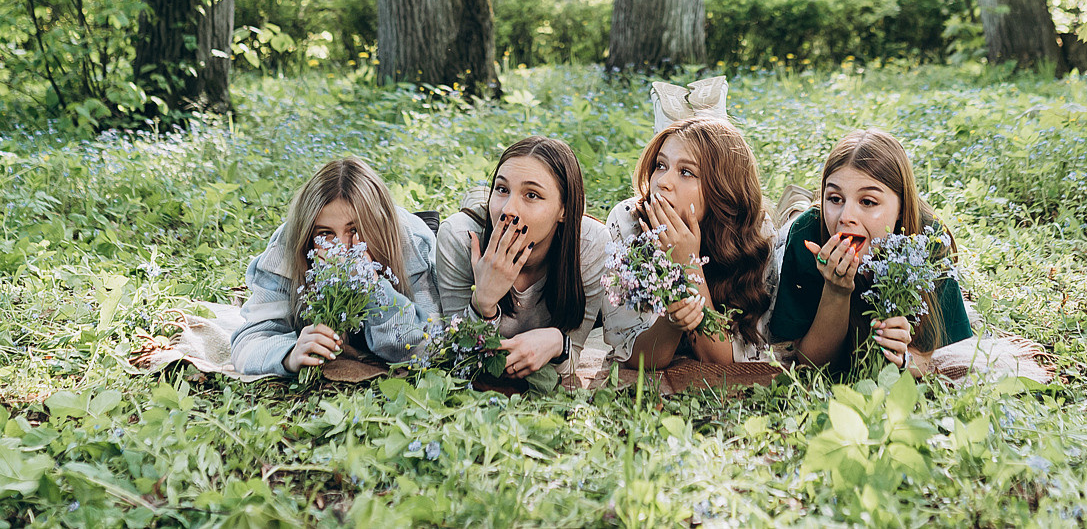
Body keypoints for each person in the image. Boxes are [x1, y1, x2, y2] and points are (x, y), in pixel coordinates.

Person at [768, 129, 974, 378]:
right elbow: (812, 364)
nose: (846, 217)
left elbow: (925, 356)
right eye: (835, 198)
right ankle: (796, 201)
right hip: (791, 232)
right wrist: (836, 290)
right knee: (790, 220)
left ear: (901, 207)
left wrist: (903, 357)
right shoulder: (806, 233)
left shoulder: (927, 240)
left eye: (867, 202)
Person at [226, 156, 438, 375]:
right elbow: (249, 342)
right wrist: (289, 355)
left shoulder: (411, 243)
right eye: (326, 234)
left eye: (354, 230)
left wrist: (373, 288)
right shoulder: (288, 246)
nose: (342, 250)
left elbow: (430, 346)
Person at [602, 117, 779, 368]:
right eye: (661, 165)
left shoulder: (753, 232)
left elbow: (725, 361)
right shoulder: (628, 222)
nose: (663, 182)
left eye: (686, 172)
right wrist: (674, 320)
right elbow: (634, 356)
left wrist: (689, 263)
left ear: (723, 188)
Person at [435, 136, 607, 380]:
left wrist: (559, 342)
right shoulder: (459, 238)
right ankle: (475, 200)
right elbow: (458, 361)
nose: (508, 209)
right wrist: (483, 304)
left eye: (532, 195)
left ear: (564, 209)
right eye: (502, 189)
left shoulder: (591, 245)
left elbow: (572, 357)